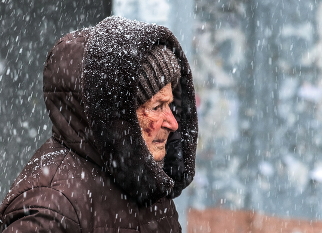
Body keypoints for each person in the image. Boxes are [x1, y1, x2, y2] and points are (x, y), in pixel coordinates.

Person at [0, 16, 198, 232]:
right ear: (116, 116)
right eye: (157, 107)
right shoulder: (52, 205)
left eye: (169, 105)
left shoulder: (141, 181)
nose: (173, 123)